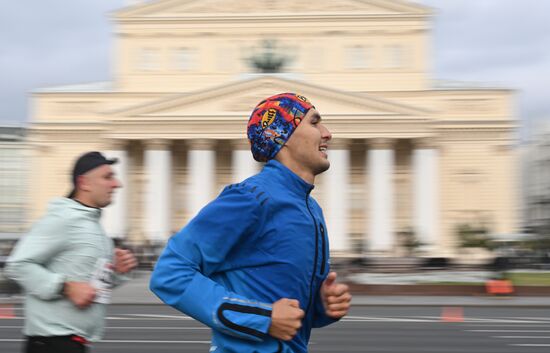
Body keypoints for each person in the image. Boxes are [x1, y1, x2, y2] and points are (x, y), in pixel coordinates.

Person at [150, 93, 352, 353]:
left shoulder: (311, 209)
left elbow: (288, 313)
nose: (327, 133)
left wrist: (320, 306)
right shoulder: (250, 198)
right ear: (284, 136)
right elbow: (169, 273)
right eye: (314, 123)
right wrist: (263, 318)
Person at [5, 151, 138, 353]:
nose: (117, 184)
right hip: (51, 343)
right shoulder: (63, 219)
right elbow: (18, 265)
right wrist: (65, 287)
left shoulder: (95, 228)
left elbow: (91, 286)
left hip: (75, 342)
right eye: (107, 177)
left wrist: (117, 273)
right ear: (83, 183)